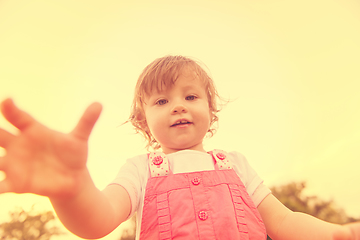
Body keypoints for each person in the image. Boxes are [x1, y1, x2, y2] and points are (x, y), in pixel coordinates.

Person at [0, 55, 359, 240]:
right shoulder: (140, 170)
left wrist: (336, 233)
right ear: (143, 120)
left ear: (210, 109)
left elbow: (284, 222)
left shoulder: (235, 165)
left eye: (190, 96)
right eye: (161, 101)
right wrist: (72, 189)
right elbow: (97, 219)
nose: (178, 106)